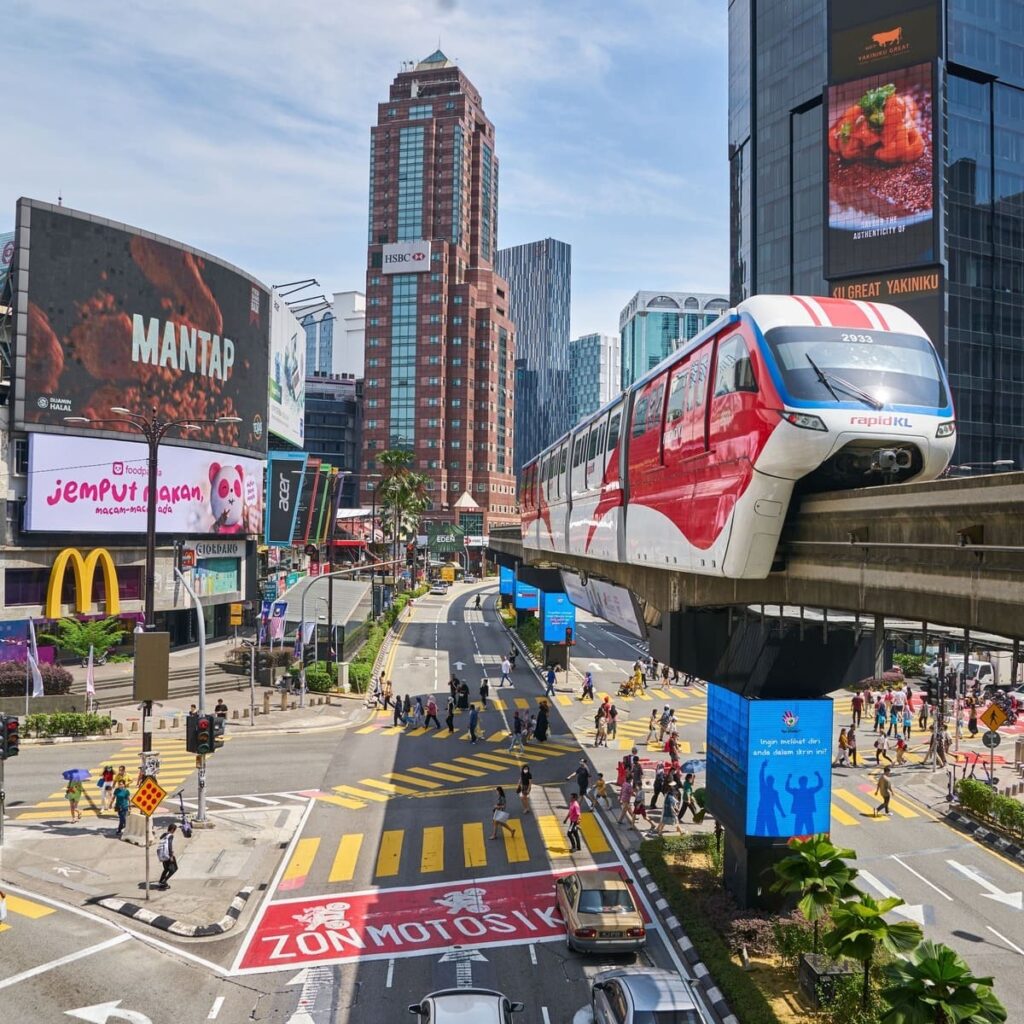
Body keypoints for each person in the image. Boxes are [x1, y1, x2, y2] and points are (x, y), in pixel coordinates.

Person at [157, 822, 179, 888]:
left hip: (162, 854)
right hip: (168, 855)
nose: (174, 831)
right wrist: (171, 856)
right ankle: (164, 881)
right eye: (174, 830)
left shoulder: (164, 835)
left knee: (166, 869)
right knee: (174, 869)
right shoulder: (170, 836)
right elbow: (169, 845)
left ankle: (161, 881)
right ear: (172, 829)